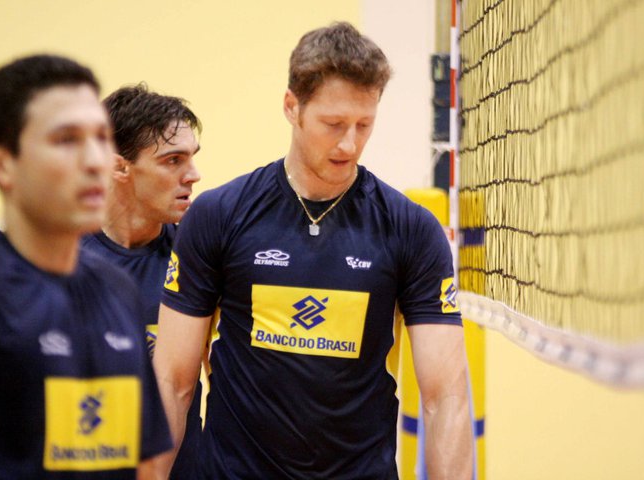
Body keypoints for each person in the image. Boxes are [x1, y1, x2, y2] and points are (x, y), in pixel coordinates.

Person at [153, 21, 474, 479]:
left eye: (364, 124)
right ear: (292, 106)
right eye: (333, 124)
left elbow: (446, 399)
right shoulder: (219, 215)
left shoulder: (411, 230)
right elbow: (172, 383)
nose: (350, 143)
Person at [0, 54, 171, 479]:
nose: (95, 161)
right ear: (2, 163)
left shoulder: (119, 289)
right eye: (66, 140)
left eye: (101, 138)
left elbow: (146, 464)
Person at [81, 84, 202, 479]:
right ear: (119, 167)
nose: (193, 175)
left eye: (193, 158)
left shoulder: (198, 256)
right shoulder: (58, 263)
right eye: (173, 160)